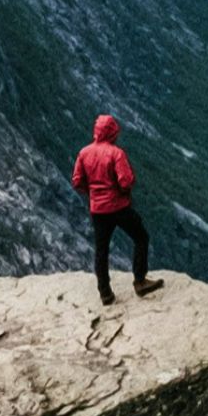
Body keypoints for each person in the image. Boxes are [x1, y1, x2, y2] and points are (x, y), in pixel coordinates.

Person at [72, 114, 165, 305]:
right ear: (112, 132)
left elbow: (77, 181)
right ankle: (140, 281)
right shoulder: (116, 154)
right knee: (140, 236)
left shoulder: (84, 153)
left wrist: (93, 194)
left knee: (102, 249)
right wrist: (122, 191)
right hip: (119, 207)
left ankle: (105, 293)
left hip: (98, 210)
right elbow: (126, 181)